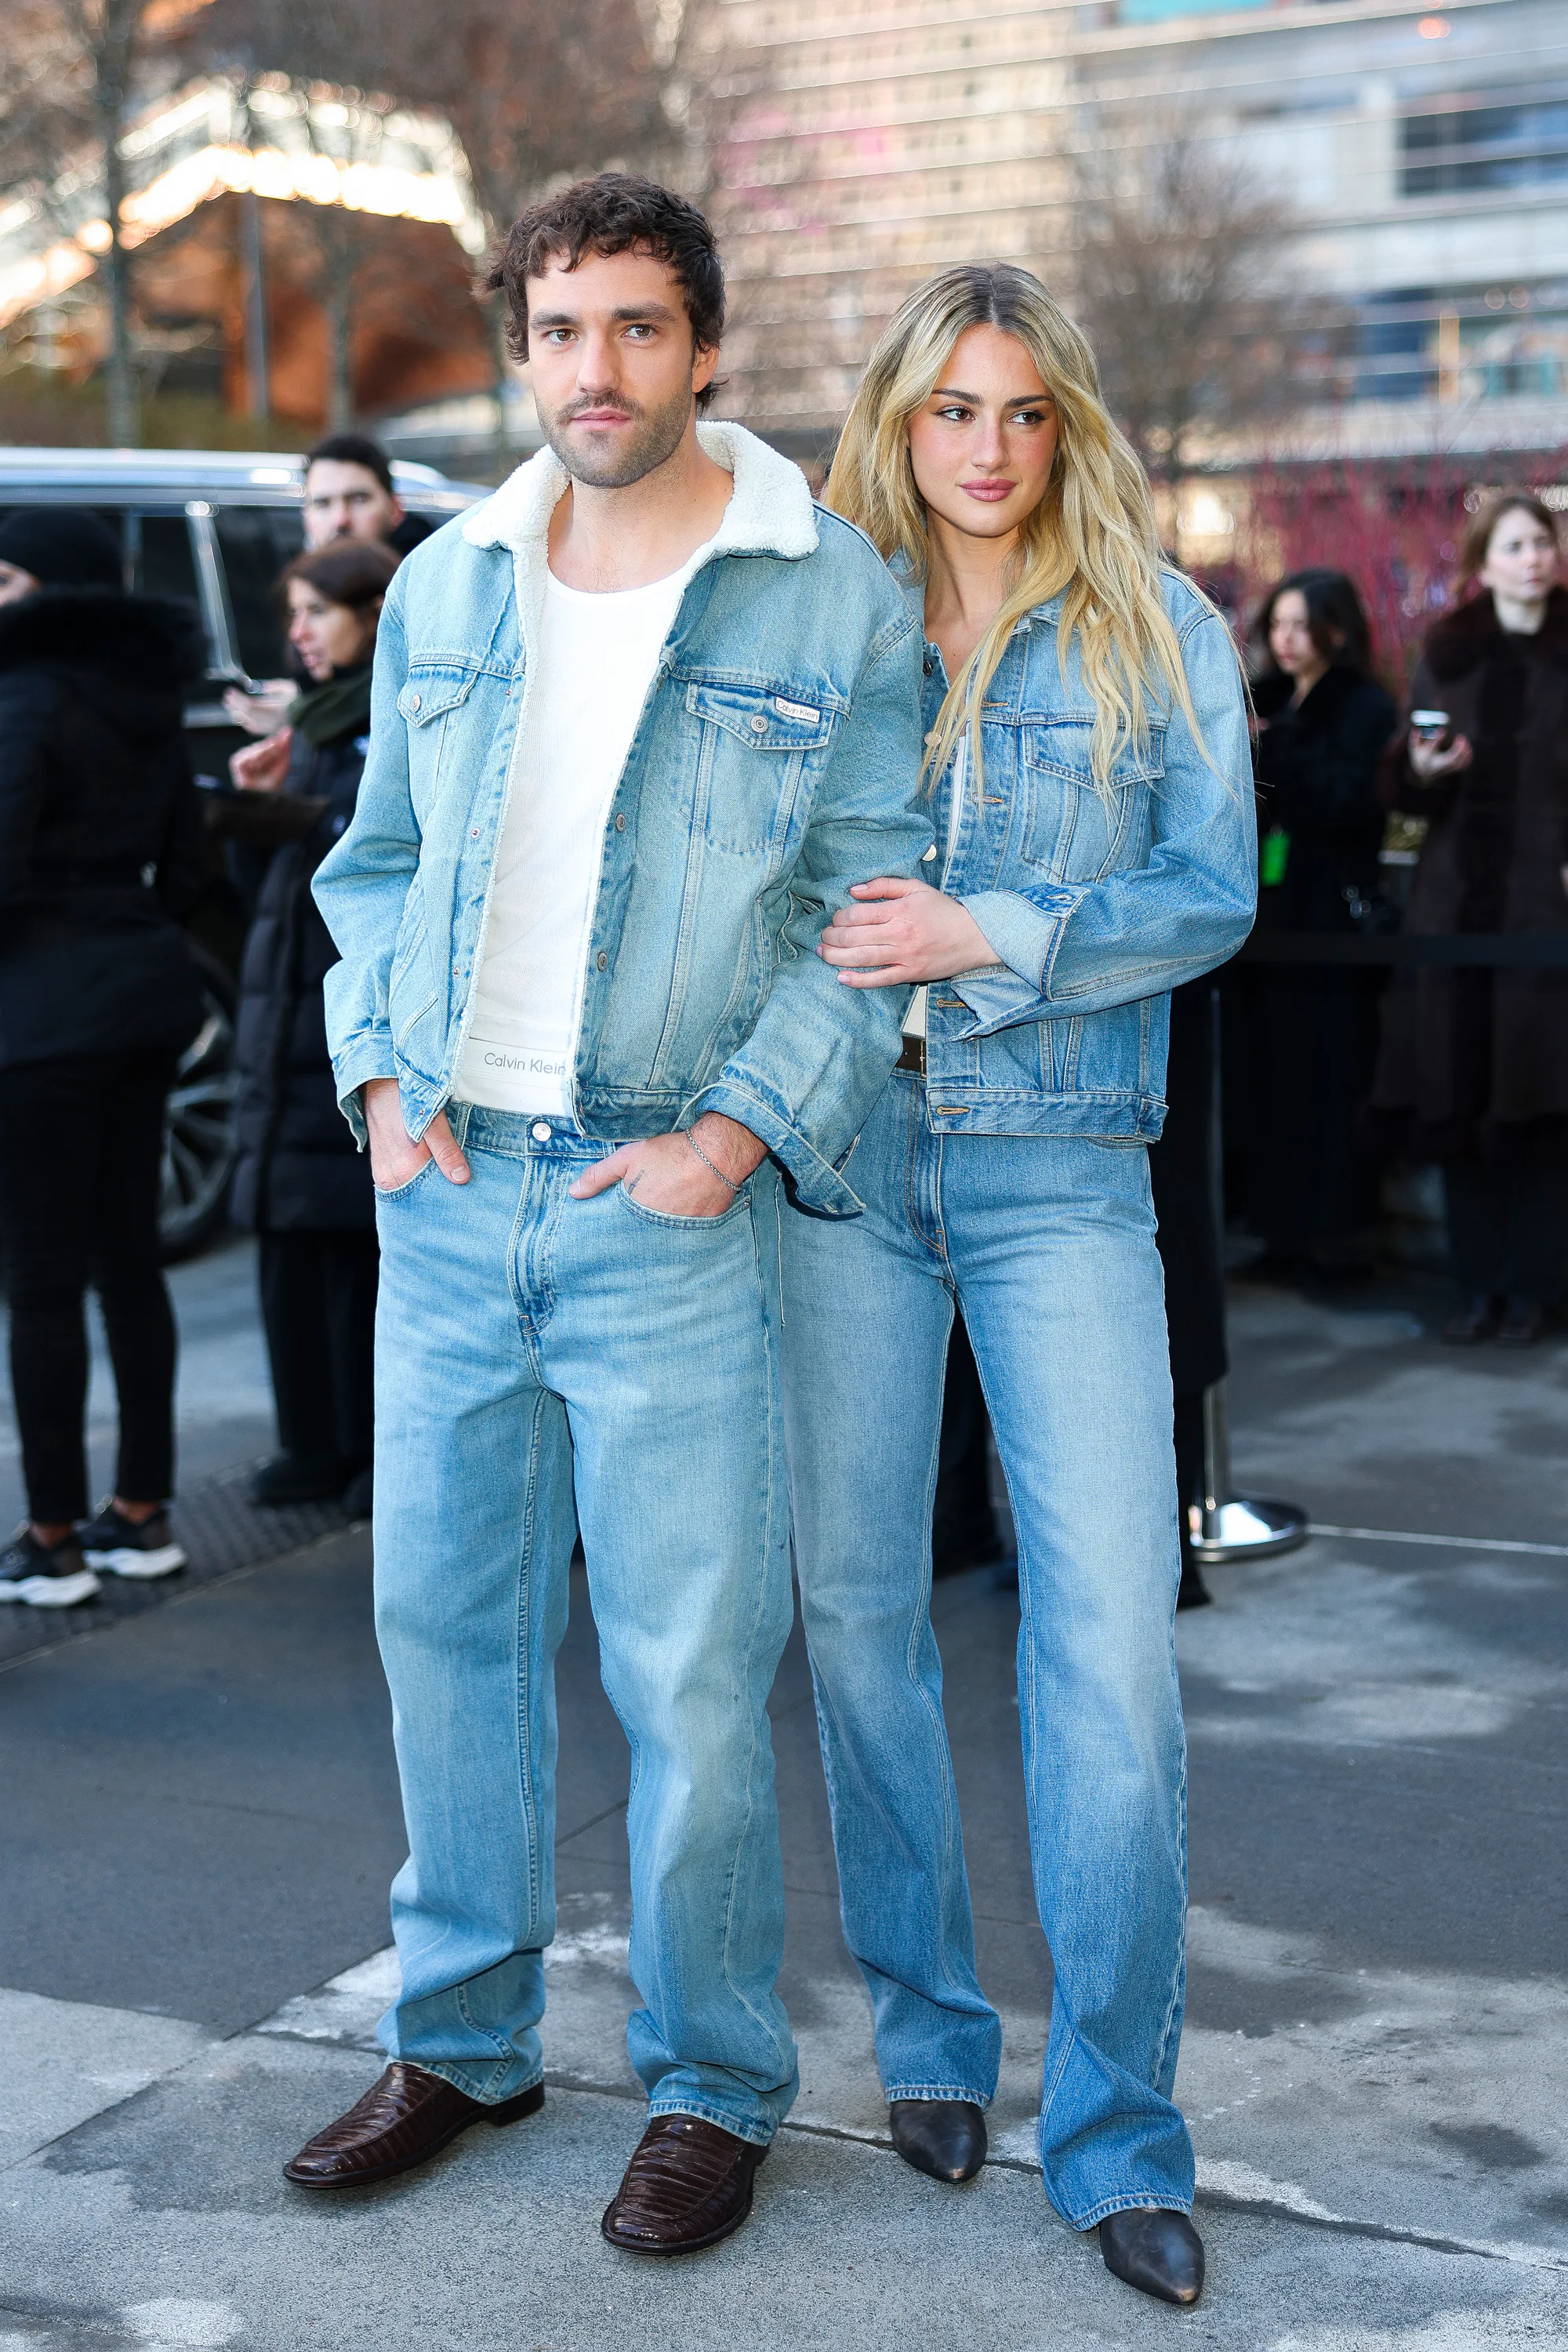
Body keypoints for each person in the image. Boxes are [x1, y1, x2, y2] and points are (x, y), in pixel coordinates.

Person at [284, 173, 927, 2254]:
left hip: (670, 1195)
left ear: (706, 346)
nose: (597, 368)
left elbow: (870, 912)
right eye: (561, 329)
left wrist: (735, 1140)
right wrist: (380, 1079)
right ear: (520, 344)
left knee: (688, 1672)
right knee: (443, 1638)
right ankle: (463, 2038)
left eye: (639, 327)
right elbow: (370, 866)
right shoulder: (459, 579)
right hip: (457, 1189)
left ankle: (713, 2078)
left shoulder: (823, 595)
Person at [777, 265, 1254, 2307]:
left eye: (1027, 411)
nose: (988, 448)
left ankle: (1124, 2132)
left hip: (1063, 1172)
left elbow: (1214, 892)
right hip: (843, 1173)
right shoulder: (811, 629)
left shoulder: (1163, 627)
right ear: (896, 418)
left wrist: (999, 925)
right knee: (856, 1621)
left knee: (1112, 1666)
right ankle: (930, 2038)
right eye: (952, 408)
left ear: (1072, 425)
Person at [0, 508, 205, 1608]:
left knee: (39, 1281)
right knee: (130, 1264)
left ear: (48, 587)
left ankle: (51, 1539)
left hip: (37, 1017)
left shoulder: (24, 696)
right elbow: (186, 870)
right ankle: (140, 1514)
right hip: (141, 997)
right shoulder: (151, 699)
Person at [1367, 492, 1568, 1345]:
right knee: (1456, 1091)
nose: (1532, 557)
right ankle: (1475, 1286)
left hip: (1541, 898)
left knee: (1540, 1091)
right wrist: (1419, 766)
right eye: (1514, 544)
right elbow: (1400, 791)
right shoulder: (1444, 652)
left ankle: (1536, 1290)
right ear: (1483, 563)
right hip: (1452, 899)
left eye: (1542, 542)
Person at [227, 539, 399, 1514]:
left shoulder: (387, 721)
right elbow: (277, 895)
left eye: (315, 612)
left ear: (372, 613)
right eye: (292, 613)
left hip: (341, 1020)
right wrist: (260, 809)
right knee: (291, 1237)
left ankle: (365, 1451)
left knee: (351, 1250)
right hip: (283, 1010)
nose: (295, 633)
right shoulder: (317, 729)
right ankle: (314, 1444)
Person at [1228, 570, 1396, 1278]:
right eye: (1278, 626)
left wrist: (1281, 747)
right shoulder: (1259, 699)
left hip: (1326, 915)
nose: (1287, 641)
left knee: (1326, 1076)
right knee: (1264, 1076)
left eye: (1302, 625)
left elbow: (1355, 800)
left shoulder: (1361, 705)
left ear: (1336, 628)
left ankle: (1333, 1232)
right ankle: (1277, 1231)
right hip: (1266, 916)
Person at [226, 434, 430, 736]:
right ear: (305, 517)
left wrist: (304, 712)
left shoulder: (433, 589)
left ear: (395, 509)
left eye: (358, 499)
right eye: (322, 504)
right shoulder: (302, 588)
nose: (340, 520)